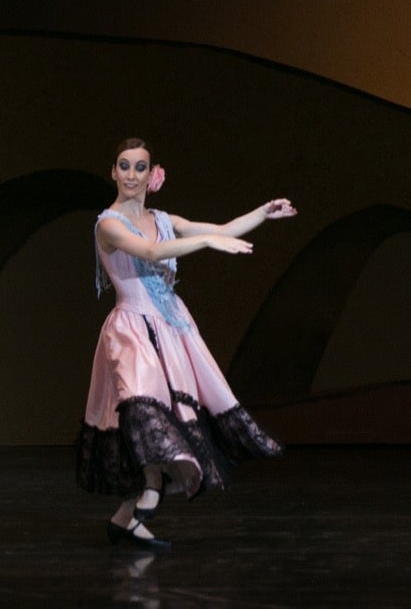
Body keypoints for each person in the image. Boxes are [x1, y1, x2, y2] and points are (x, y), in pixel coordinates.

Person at [76, 137, 294, 551]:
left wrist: (262, 213)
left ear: (151, 174)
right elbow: (152, 251)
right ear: (113, 171)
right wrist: (208, 244)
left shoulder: (163, 217)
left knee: (163, 423)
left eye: (140, 167)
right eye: (124, 166)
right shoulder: (108, 224)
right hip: (132, 332)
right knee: (143, 416)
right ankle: (143, 502)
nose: (131, 175)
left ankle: (129, 517)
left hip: (171, 330)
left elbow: (223, 229)